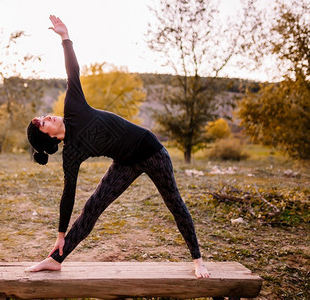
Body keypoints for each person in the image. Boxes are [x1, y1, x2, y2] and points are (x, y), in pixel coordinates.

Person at [25, 15, 210, 278]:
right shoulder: (72, 154)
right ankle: (55, 259)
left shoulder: (73, 107)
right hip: (125, 162)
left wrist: (65, 38)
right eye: (44, 123)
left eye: (43, 117)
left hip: (151, 150)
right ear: (51, 138)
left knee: (173, 202)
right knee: (93, 206)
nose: (48, 117)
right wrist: (60, 234)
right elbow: (69, 194)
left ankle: (198, 260)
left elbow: (72, 72)